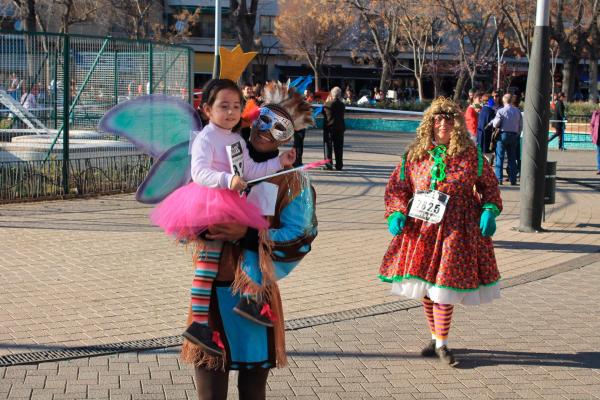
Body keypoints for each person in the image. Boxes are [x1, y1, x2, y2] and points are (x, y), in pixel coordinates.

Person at [181, 82, 317, 399]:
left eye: (280, 128)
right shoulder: (219, 151)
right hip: (211, 290)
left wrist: (248, 235)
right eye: (265, 120)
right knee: (210, 388)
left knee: (252, 390)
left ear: (291, 136)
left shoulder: (293, 180)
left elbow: (301, 236)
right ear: (254, 116)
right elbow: (189, 202)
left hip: (254, 298)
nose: (267, 131)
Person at [150, 79, 296, 355]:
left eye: (236, 106)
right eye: (223, 106)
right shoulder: (206, 137)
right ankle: (200, 322)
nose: (230, 112)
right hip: (209, 201)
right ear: (206, 109)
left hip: (230, 201)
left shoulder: (236, 138)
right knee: (208, 263)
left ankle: (249, 298)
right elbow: (200, 172)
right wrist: (228, 179)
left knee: (251, 241)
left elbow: (250, 170)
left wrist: (280, 163)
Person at [379, 97, 502, 365]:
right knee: (426, 287)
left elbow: (489, 187)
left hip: (457, 229)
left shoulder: (472, 157)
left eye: (448, 119)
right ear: (429, 124)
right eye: (437, 119)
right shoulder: (414, 156)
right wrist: (397, 212)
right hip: (422, 229)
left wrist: (489, 210)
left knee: (444, 287)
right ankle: (436, 339)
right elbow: (398, 188)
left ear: (457, 124)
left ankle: (443, 344)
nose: (443, 124)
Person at [492, 93, 523, 185]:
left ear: (503, 100)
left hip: (503, 135)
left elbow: (495, 124)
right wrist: (517, 134)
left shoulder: (501, 111)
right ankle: (513, 179)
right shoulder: (517, 111)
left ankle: (499, 179)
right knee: (512, 158)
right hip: (514, 135)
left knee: (500, 157)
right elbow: (520, 125)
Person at [323, 86, 346, 170]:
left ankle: (328, 164)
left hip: (330, 128)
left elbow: (324, 113)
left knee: (328, 147)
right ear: (339, 95)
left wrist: (327, 101)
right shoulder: (342, 105)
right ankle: (339, 165)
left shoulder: (327, 104)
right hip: (340, 128)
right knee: (339, 147)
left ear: (332, 94)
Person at [476, 92, 496, 165]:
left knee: (481, 152)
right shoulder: (491, 111)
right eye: (491, 100)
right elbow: (494, 124)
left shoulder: (482, 110)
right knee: (487, 153)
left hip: (480, 134)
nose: (493, 101)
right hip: (487, 134)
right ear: (488, 101)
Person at [591, 108, 600, 175]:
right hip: (598, 136)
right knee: (599, 153)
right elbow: (592, 124)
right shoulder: (596, 114)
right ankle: (599, 168)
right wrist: (592, 134)